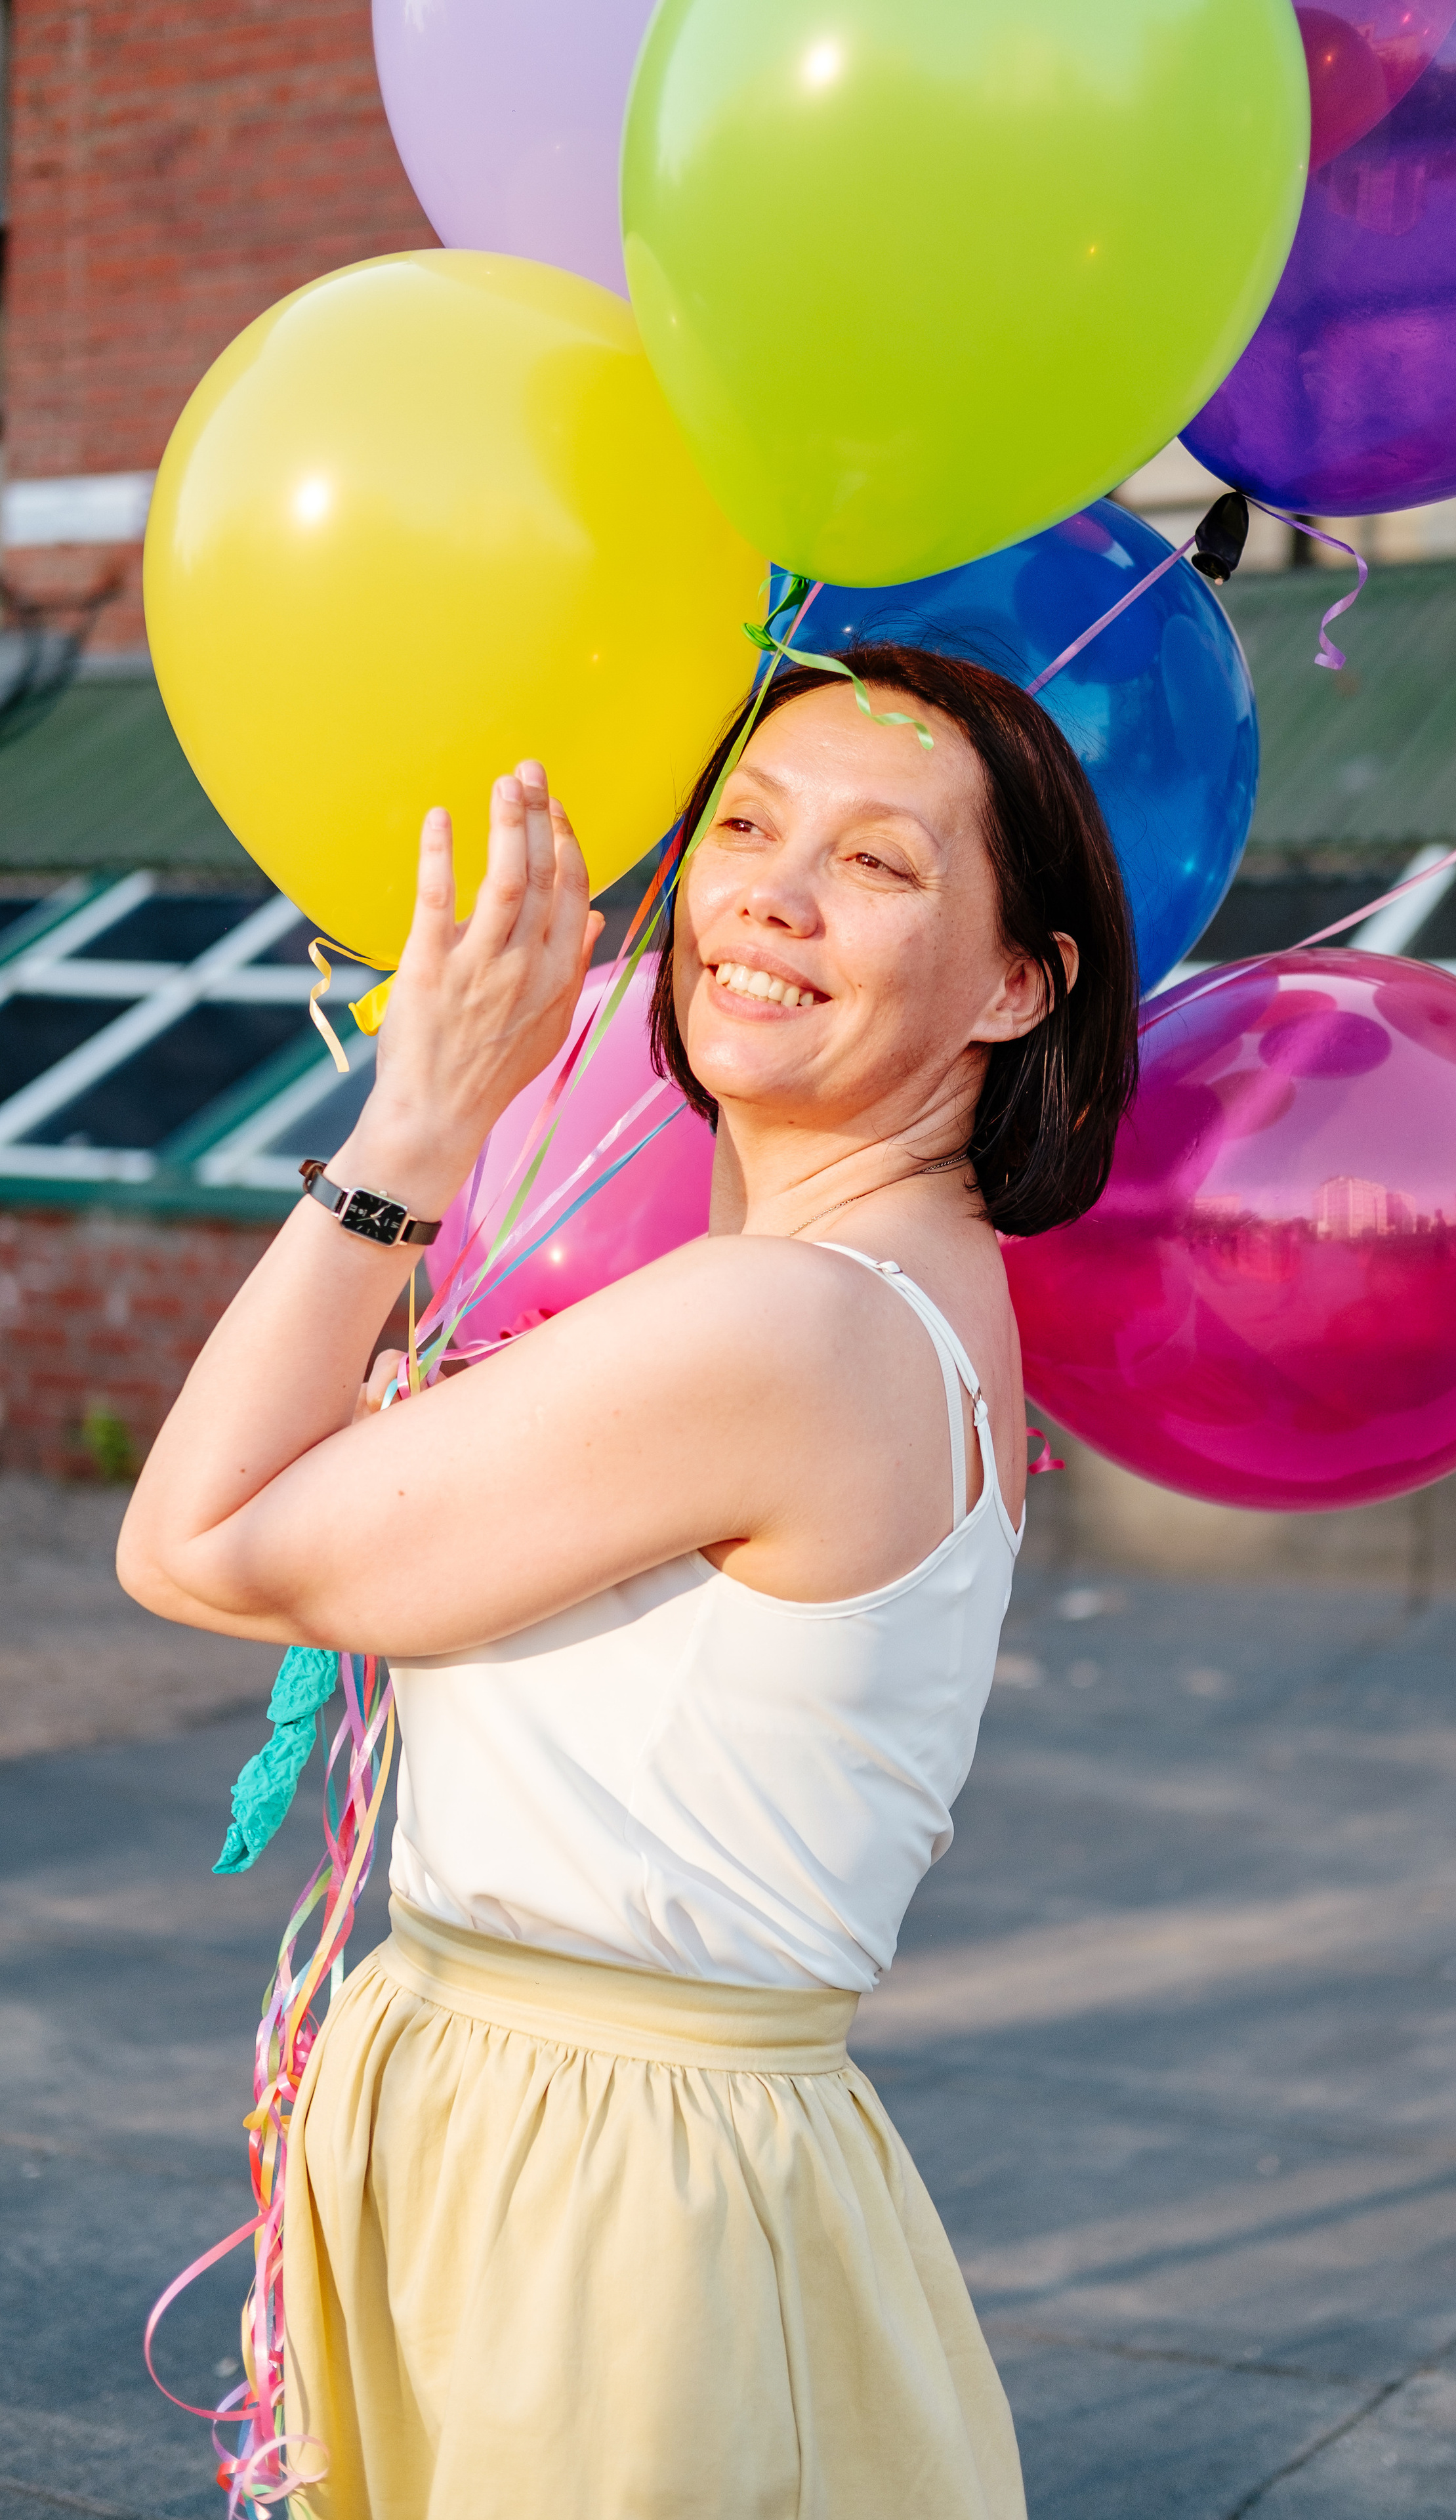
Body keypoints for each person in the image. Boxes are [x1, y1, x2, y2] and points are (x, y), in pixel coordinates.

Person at [118, 643, 1137, 2520]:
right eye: (743, 826)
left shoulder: (790, 1323)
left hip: (607, 2211)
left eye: (878, 862)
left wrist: (421, 1120)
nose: (773, 893)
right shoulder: (877, 1296)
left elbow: (193, 1542)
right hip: (592, 2146)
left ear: (1020, 984)